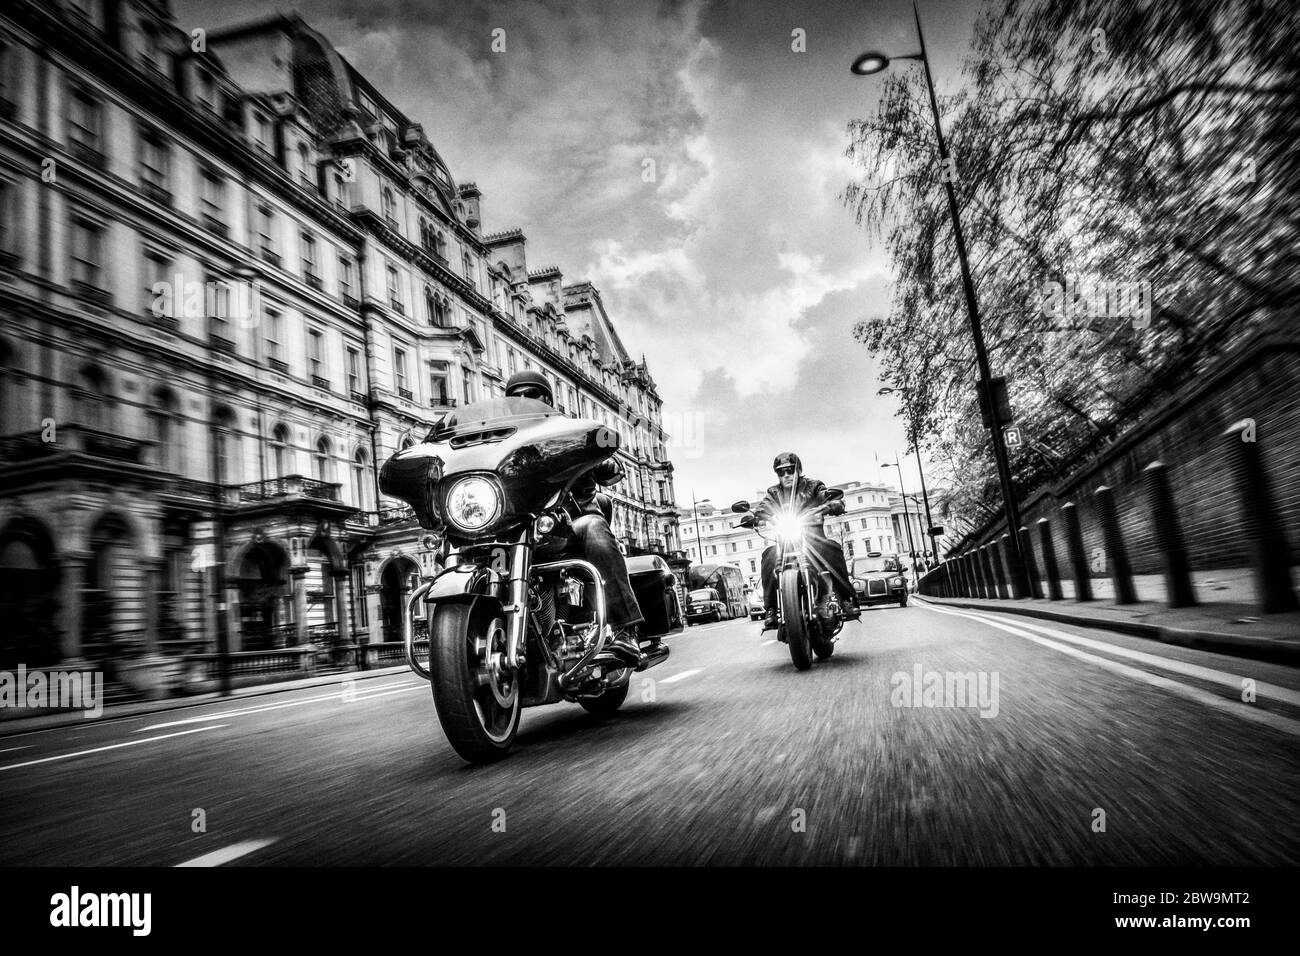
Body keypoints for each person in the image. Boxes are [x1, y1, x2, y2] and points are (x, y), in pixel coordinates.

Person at [503, 370, 649, 666]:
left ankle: (624, 629)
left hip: (569, 521)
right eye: (515, 396)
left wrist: (602, 462)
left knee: (594, 528)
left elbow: (606, 460)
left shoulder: (566, 432)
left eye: (530, 395)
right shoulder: (501, 440)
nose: (523, 401)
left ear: (546, 399)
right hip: (517, 527)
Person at [757, 451, 861, 631]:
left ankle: (846, 599)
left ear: (798, 470)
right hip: (786, 543)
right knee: (768, 555)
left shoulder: (813, 486)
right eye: (781, 472)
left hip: (813, 539)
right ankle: (771, 609)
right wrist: (757, 515)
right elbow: (764, 506)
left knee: (832, 548)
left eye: (790, 470)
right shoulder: (773, 492)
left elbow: (824, 495)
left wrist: (834, 503)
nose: (786, 475)